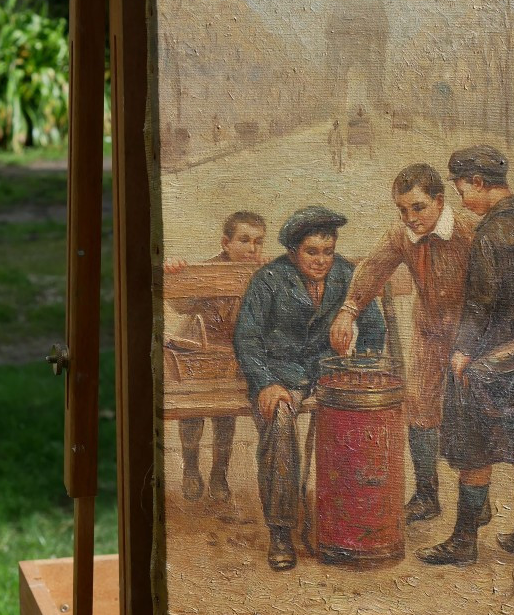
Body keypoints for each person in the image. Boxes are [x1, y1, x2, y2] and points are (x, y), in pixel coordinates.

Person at [420, 146, 514, 567]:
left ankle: (463, 542)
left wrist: (462, 351)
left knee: (474, 447)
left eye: (463, 191)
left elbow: (480, 302)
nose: (463, 200)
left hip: (492, 354)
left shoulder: (490, 233)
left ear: (478, 183)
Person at [233, 207, 386, 572]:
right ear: (292, 251)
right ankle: (281, 531)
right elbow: (247, 338)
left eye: (328, 252)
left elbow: (375, 328)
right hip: (280, 375)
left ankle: (345, 526)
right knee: (281, 421)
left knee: (360, 425)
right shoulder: (268, 279)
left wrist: (360, 370)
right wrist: (265, 383)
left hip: (329, 374)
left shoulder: (348, 275)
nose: (322, 261)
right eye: (312, 252)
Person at [329, 163, 478, 524]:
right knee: (419, 407)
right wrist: (349, 309)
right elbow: (373, 267)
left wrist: (474, 343)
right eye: (403, 210)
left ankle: (476, 505)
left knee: (470, 414)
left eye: (418, 208)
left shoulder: (468, 231)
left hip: (471, 336)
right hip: (429, 332)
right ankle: (427, 496)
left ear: (439, 201)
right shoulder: (401, 235)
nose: (410, 218)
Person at [165, 211, 266, 504]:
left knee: (225, 418)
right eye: (244, 240)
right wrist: (176, 272)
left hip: (231, 362)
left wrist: (269, 270)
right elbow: (181, 303)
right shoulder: (207, 270)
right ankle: (191, 468)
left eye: (258, 242)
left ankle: (219, 473)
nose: (251, 248)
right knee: (191, 414)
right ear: (226, 243)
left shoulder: (259, 275)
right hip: (196, 358)